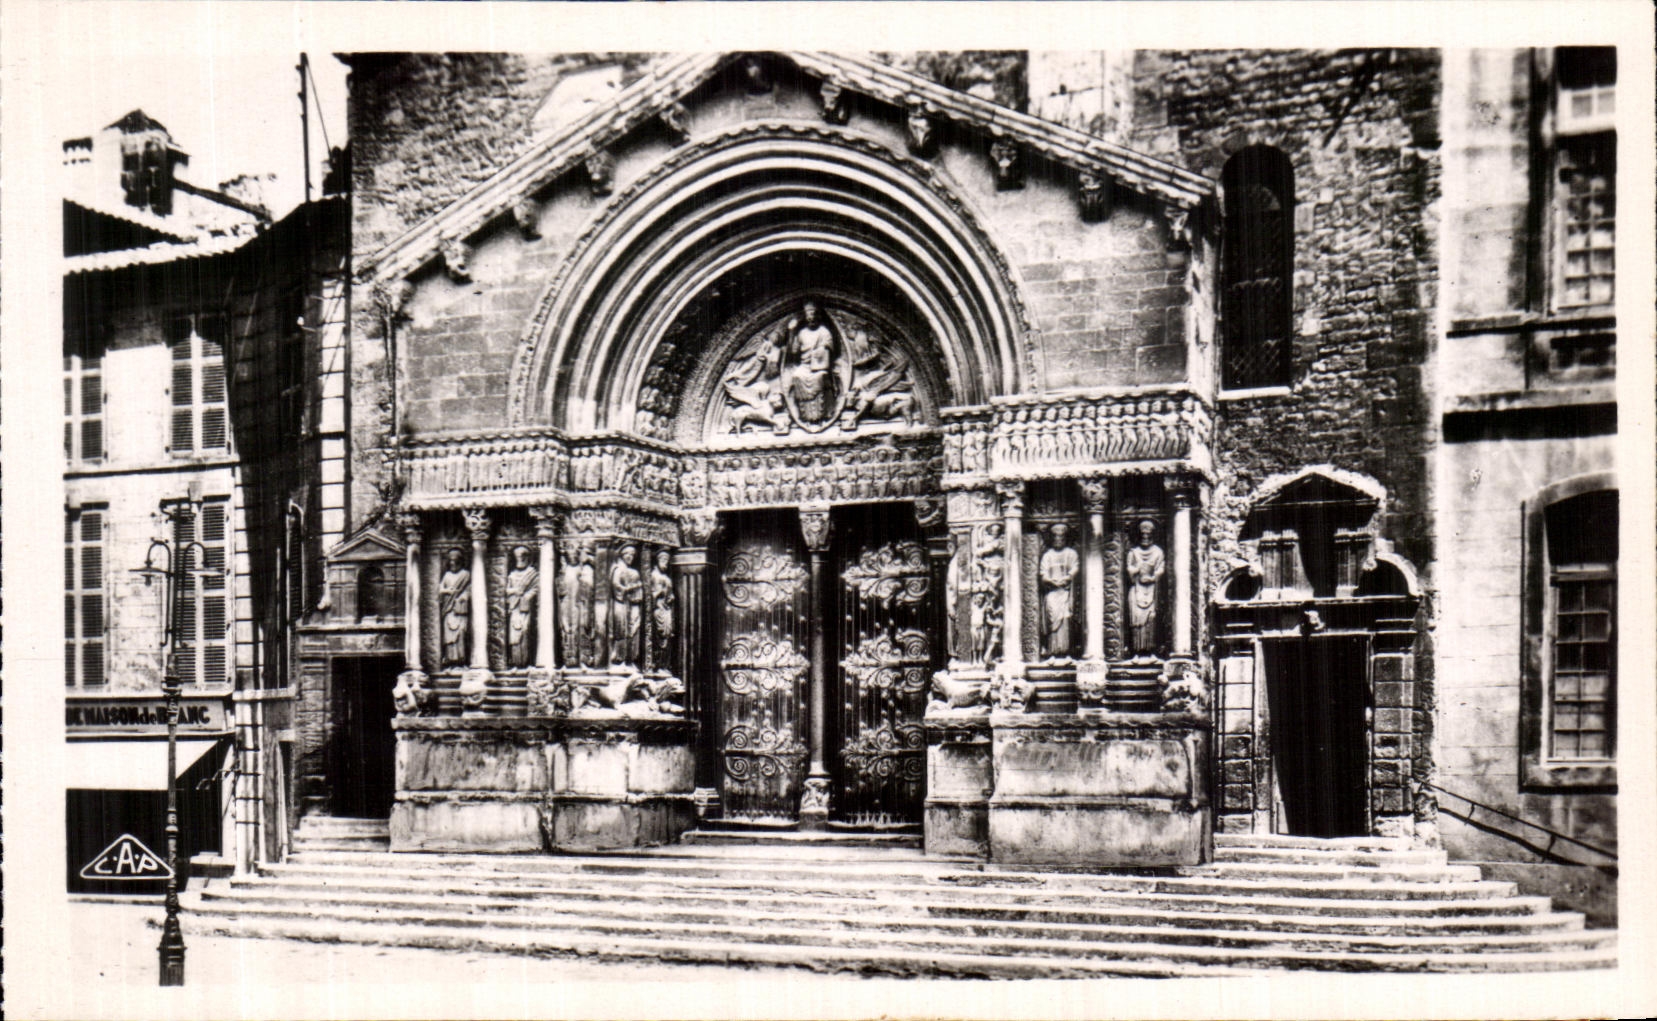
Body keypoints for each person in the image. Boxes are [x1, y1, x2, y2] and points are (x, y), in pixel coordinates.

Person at [789, 301, 836, 423]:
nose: (812, 318)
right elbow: (793, 352)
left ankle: (822, 413)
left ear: (818, 316)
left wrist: (823, 349)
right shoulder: (802, 333)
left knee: (820, 377)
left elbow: (830, 350)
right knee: (797, 376)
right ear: (805, 318)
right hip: (805, 366)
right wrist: (791, 333)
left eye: (814, 315)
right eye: (809, 316)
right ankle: (805, 414)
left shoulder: (824, 331)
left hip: (820, 366)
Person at [1039, 523, 1080, 658]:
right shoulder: (1048, 555)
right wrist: (1051, 581)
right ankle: (1052, 651)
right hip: (1052, 593)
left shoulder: (1071, 553)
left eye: (1061, 537)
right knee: (1052, 620)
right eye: (1055, 537)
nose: (1058, 540)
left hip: (1066, 592)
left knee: (1066, 619)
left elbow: (1075, 568)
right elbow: (1043, 574)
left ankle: (1067, 651)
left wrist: (1067, 578)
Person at [1127, 519, 1165, 656]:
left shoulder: (1158, 552)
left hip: (1152, 590)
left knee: (1152, 620)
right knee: (1136, 621)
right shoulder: (1134, 552)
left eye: (1148, 535)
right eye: (1143, 535)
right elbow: (1129, 568)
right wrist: (1136, 570)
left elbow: (1161, 568)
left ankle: (1151, 652)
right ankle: (1136, 652)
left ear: (1153, 535)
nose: (1145, 537)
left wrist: (1153, 577)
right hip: (1137, 589)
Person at [608, 544, 645, 667]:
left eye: (633, 555)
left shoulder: (634, 571)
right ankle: (619, 659)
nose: (630, 557)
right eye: (628, 554)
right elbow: (616, 586)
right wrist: (628, 589)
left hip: (631, 604)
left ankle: (630, 659)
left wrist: (635, 591)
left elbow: (639, 591)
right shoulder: (617, 569)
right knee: (621, 629)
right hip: (620, 603)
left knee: (633, 629)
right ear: (622, 555)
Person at [505, 545, 538, 668]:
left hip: (526, 608)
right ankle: (515, 662)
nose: (521, 559)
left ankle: (526, 662)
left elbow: (536, 588)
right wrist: (515, 591)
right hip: (515, 608)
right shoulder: (512, 575)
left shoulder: (532, 574)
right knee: (514, 634)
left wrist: (526, 596)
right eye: (518, 557)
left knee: (525, 632)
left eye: (523, 557)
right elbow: (507, 590)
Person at [438, 548, 471, 668]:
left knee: (461, 633)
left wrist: (463, 597)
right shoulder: (447, 575)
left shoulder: (465, 574)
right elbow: (439, 589)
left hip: (460, 609)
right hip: (448, 609)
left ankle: (461, 661)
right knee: (448, 636)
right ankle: (450, 661)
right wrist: (447, 590)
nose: (453, 563)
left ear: (460, 561)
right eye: (451, 561)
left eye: (455, 561)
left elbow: (470, 589)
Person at [650, 550, 675, 672]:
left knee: (667, 636)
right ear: (658, 560)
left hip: (666, 610)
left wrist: (669, 597)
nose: (666, 563)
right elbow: (651, 595)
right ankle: (657, 664)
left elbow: (670, 596)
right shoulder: (654, 575)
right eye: (663, 560)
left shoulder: (666, 578)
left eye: (667, 561)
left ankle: (664, 665)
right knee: (659, 636)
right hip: (658, 609)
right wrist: (660, 593)